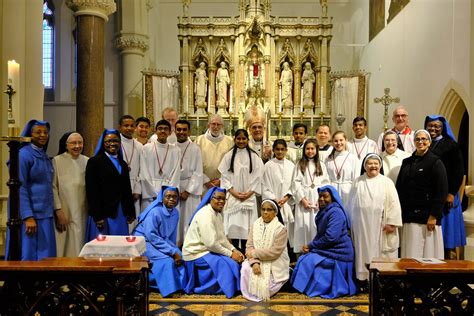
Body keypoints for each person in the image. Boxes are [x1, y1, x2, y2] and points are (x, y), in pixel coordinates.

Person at [291, 185, 357, 298]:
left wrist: (311, 246)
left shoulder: (336, 212)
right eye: (320, 196)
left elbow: (331, 238)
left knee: (309, 261)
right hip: (331, 249)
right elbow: (321, 235)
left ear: (332, 198)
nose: (321, 199)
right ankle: (300, 286)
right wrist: (310, 247)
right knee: (304, 257)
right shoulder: (326, 211)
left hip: (339, 254)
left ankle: (309, 287)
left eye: (325, 196)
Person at [347, 153, 402, 285]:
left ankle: (383, 280)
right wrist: (350, 223)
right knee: (362, 252)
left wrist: (392, 223)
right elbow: (350, 204)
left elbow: (394, 204)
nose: (373, 166)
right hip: (362, 226)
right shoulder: (358, 181)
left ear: (380, 165)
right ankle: (363, 280)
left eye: (376, 163)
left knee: (382, 253)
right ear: (365, 166)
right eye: (370, 163)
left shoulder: (387, 182)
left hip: (381, 226)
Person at [6, 120, 56, 261]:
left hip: (44, 213)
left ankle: (42, 282)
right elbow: (19, 187)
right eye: (38, 132)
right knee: (29, 253)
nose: (43, 135)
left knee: (45, 254)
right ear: (30, 134)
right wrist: (27, 216)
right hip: (30, 214)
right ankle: (27, 282)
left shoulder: (43, 155)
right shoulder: (23, 155)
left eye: (45, 132)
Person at [183, 187, 244, 298]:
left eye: (223, 199)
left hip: (206, 250)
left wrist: (234, 250)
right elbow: (211, 244)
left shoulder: (217, 214)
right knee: (226, 265)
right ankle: (219, 289)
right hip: (195, 253)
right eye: (218, 198)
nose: (221, 201)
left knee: (232, 263)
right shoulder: (205, 215)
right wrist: (231, 254)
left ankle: (235, 288)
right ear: (210, 199)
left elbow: (221, 239)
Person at [396, 129, 448, 259]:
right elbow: (400, 188)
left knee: (428, 254)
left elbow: (441, 191)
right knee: (410, 253)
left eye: (424, 139)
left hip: (428, 217)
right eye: (417, 139)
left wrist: (434, 215)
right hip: (409, 216)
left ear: (429, 142)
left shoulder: (436, 162)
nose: (420, 142)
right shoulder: (406, 162)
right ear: (414, 142)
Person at [424, 115, 466, 258]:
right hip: (431, 195)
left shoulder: (450, 144)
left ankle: (447, 262)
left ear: (443, 128)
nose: (433, 128)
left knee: (447, 236)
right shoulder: (424, 143)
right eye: (430, 125)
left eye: (437, 126)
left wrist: (451, 194)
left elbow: (459, 171)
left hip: (447, 194)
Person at [133, 186, 186, 297]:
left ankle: (180, 285)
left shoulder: (175, 213)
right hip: (144, 241)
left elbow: (171, 236)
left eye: (174, 197)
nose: (171, 199)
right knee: (167, 260)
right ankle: (169, 290)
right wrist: (171, 252)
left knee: (181, 255)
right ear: (162, 198)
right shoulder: (155, 212)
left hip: (159, 240)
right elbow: (151, 236)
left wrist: (174, 250)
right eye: (168, 196)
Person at [85, 129, 136, 241]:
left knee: (120, 244)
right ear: (103, 143)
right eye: (108, 141)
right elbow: (92, 190)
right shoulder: (95, 162)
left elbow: (127, 188)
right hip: (103, 213)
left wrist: (131, 211)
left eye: (116, 141)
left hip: (120, 213)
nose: (112, 144)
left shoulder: (122, 163)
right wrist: (97, 216)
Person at [218, 129, 264, 250]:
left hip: (249, 197)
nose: (241, 141)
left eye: (244, 138)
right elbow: (224, 176)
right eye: (239, 138)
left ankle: (246, 254)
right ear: (234, 139)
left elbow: (258, 177)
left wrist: (249, 193)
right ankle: (234, 253)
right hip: (234, 196)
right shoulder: (228, 156)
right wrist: (234, 192)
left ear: (248, 140)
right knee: (233, 229)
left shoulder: (254, 156)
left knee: (248, 230)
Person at [241, 199, 290, 302]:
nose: (265, 212)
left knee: (266, 286)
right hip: (257, 260)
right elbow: (249, 245)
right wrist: (255, 263)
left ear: (275, 212)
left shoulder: (281, 229)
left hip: (274, 261)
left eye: (269, 210)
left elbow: (274, 252)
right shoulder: (255, 225)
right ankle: (248, 293)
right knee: (245, 267)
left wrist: (254, 253)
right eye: (263, 209)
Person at [290, 138, 330, 253]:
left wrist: (321, 200)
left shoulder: (321, 165)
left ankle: (316, 251)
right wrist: (303, 200)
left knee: (315, 226)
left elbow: (325, 183)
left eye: (312, 148)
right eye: (307, 149)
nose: (310, 151)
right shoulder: (299, 164)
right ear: (304, 150)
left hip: (318, 198)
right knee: (304, 225)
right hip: (304, 199)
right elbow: (295, 183)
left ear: (317, 150)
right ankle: (303, 252)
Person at [52, 131, 88, 257]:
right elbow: (53, 187)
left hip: (83, 210)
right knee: (64, 244)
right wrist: (58, 210)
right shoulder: (57, 161)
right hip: (64, 210)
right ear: (66, 145)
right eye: (73, 143)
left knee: (81, 240)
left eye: (80, 143)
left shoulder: (87, 161)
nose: (77, 146)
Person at [139, 120, 181, 210]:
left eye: (166, 129)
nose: (163, 131)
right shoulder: (147, 148)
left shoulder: (175, 150)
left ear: (170, 132)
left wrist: (168, 193)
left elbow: (176, 174)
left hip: (168, 194)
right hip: (150, 195)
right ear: (155, 131)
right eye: (160, 129)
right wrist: (153, 194)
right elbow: (144, 173)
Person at [262, 140, 295, 250]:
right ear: (273, 150)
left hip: (286, 203)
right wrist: (274, 199)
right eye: (277, 149)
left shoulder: (291, 166)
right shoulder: (268, 166)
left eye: (282, 149)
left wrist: (286, 198)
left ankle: (288, 255)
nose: (280, 151)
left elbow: (294, 184)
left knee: (287, 231)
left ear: (286, 150)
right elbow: (264, 185)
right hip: (273, 203)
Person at [175, 120, 203, 246]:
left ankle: (188, 247)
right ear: (174, 131)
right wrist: (174, 189)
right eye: (179, 129)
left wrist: (187, 190)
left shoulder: (195, 148)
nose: (181, 132)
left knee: (188, 219)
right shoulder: (171, 147)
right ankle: (175, 245)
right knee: (177, 220)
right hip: (175, 188)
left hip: (190, 190)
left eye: (184, 129)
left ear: (189, 131)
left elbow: (198, 171)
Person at [195, 114, 233, 192]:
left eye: (218, 124)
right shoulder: (199, 141)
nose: (216, 127)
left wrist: (221, 180)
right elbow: (195, 164)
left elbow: (232, 164)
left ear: (222, 126)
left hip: (222, 183)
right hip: (203, 184)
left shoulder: (229, 141)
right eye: (213, 124)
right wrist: (205, 180)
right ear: (208, 125)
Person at [118, 115, 143, 223]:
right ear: (120, 127)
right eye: (126, 125)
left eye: (132, 126)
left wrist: (137, 189)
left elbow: (142, 169)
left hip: (134, 185)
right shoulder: (115, 143)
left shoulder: (139, 146)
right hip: (119, 185)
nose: (129, 128)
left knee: (133, 218)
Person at [325, 131, 358, 205]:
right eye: (335, 141)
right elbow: (325, 177)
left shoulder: (352, 158)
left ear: (346, 141)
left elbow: (356, 178)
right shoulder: (328, 159)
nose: (338, 143)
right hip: (332, 191)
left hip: (348, 192)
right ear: (332, 143)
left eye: (341, 140)